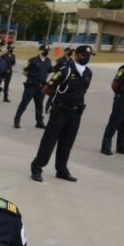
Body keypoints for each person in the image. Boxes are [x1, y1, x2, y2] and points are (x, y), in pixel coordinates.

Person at [29, 45, 93, 182]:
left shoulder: (88, 73)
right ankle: (37, 167)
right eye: (83, 56)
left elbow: (83, 91)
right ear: (76, 55)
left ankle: (61, 169)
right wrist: (59, 99)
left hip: (76, 112)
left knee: (67, 142)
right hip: (60, 111)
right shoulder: (66, 70)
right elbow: (47, 88)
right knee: (49, 141)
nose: (85, 58)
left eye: (88, 56)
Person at [14, 44, 52, 129]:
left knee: (39, 105)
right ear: (40, 50)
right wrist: (33, 77)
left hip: (41, 87)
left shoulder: (48, 61)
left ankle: (39, 122)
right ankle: (17, 120)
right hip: (31, 86)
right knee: (24, 103)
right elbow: (25, 72)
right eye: (44, 50)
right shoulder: (33, 60)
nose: (46, 52)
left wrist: (42, 77)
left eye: (47, 51)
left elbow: (49, 71)